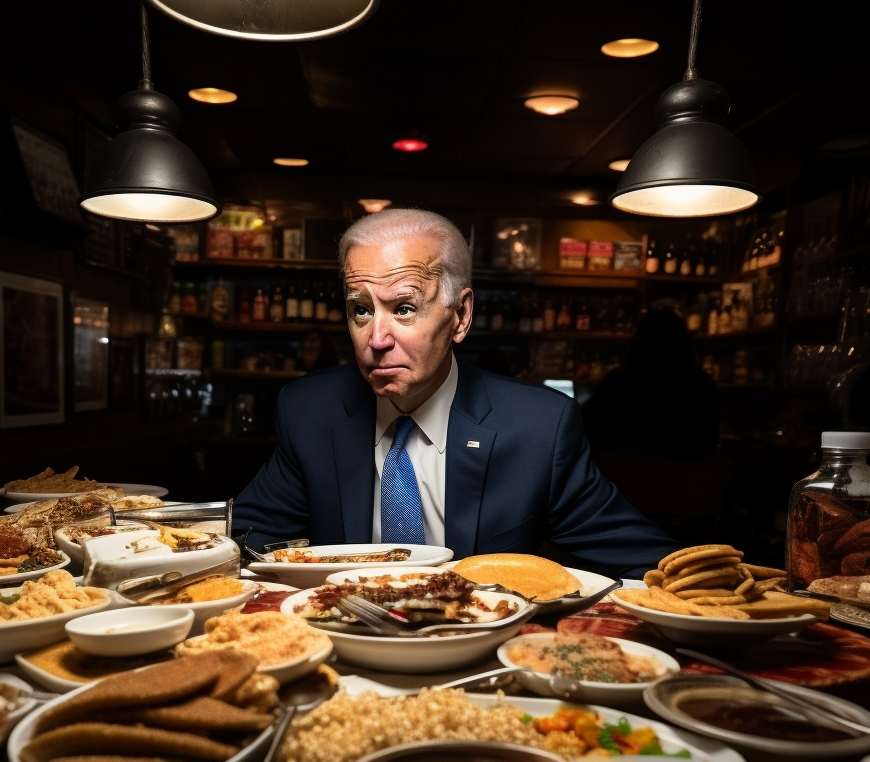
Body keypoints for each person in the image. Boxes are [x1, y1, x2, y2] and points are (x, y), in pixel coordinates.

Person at [233, 208, 674, 577]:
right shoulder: (310, 411)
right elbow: (245, 540)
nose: (377, 337)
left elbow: (646, 562)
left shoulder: (539, 427)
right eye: (361, 310)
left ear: (460, 316)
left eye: (404, 308)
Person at [583, 309, 718, 458]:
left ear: (638, 340)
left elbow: (586, 429)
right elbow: (709, 441)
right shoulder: (702, 384)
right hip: (688, 478)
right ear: (684, 341)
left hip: (624, 475)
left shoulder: (617, 381)